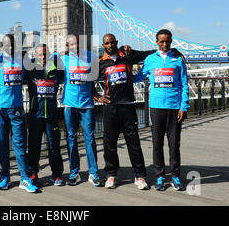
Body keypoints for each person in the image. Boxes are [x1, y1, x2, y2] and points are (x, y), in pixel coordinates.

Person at [93, 33, 157, 190]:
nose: (110, 45)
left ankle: (140, 176)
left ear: (117, 42)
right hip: (110, 108)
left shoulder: (127, 56)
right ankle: (111, 175)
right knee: (109, 144)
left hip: (128, 106)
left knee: (133, 143)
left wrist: (174, 51)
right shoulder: (100, 63)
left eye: (112, 42)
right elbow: (87, 82)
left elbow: (150, 53)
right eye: (107, 43)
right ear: (103, 46)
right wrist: (98, 97)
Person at [134, 29, 189, 191]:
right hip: (156, 107)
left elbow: (184, 84)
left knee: (174, 144)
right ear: (157, 42)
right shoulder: (150, 60)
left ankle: (175, 176)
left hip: (174, 108)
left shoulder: (178, 59)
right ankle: (159, 176)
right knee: (157, 144)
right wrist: (124, 61)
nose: (165, 44)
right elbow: (138, 77)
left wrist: (183, 107)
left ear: (171, 41)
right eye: (162, 41)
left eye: (167, 41)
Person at [0, 34, 38, 193]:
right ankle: (5, 175)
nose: (10, 48)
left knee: (19, 145)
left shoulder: (24, 61)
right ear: (2, 46)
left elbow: (44, 60)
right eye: (6, 45)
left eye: (12, 45)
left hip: (17, 108)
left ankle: (24, 178)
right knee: (2, 144)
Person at [56, 34, 101, 186]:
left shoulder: (91, 56)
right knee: (71, 138)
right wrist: (57, 53)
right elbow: (44, 59)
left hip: (87, 104)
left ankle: (93, 173)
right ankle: (74, 173)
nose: (75, 46)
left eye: (77, 43)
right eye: (71, 44)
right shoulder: (62, 59)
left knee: (90, 138)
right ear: (67, 46)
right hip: (70, 104)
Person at [26, 44, 65, 186]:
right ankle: (33, 173)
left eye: (44, 54)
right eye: (39, 55)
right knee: (34, 146)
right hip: (35, 115)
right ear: (35, 56)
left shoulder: (56, 68)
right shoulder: (30, 69)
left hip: (52, 115)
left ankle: (57, 174)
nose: (42, 57)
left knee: (54, 146)